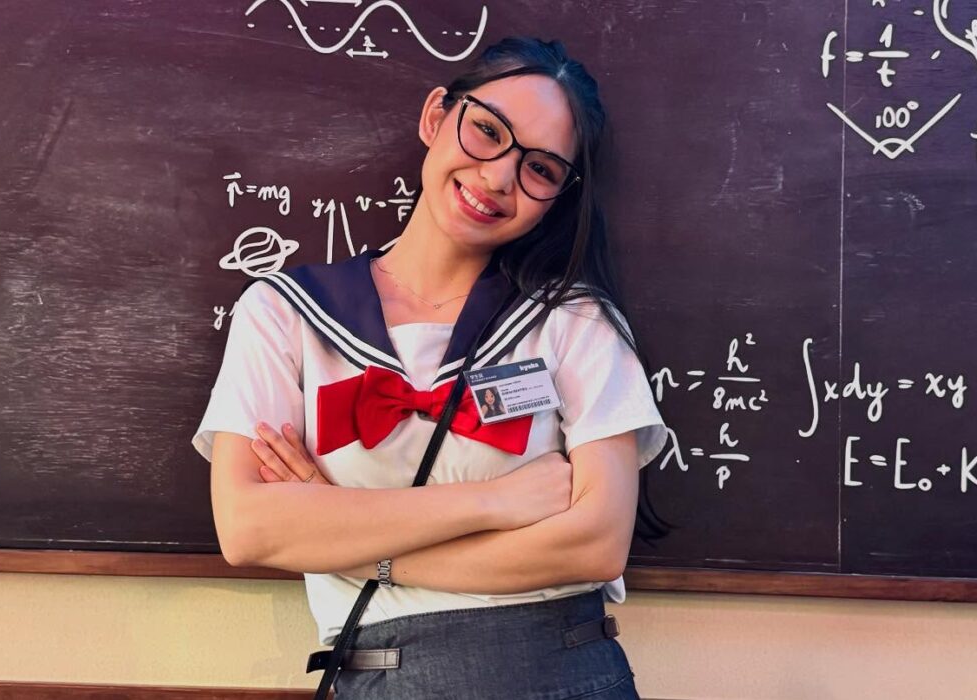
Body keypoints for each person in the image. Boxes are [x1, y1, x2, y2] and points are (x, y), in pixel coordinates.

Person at [193, 36, 667, 699]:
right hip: (380, 678)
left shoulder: (573, 320)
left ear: (559, 195)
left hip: (565, 678)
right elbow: (249, 529)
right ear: (436, 116)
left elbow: (596, 544)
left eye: (539, 168)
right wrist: (495, 501)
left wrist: (350, 537)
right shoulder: (283, 314)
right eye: (487, 132)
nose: (497, 178)